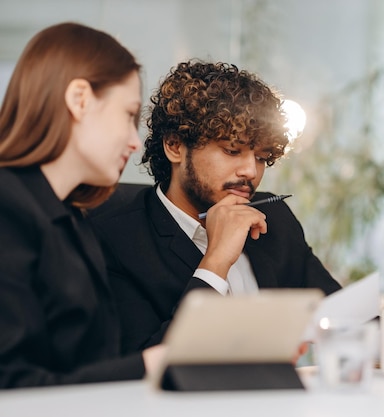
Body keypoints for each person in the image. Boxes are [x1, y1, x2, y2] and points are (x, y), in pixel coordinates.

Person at [89, 60, 342, 354]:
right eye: (232, 150)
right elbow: (142, 366)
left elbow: (341, 314)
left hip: (277, 396)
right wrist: (216, 262)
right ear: (174, 146)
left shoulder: (273, 217)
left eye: (261, 157)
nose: (250, 171)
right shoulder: (116, 238)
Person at [0, 23, 166, 389]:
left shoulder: (73, 218)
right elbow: (10, 383)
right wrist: (151, 364)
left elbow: (89, 364)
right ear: (79, 99)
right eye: (127, 115)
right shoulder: (8, 209)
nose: (135, 143)